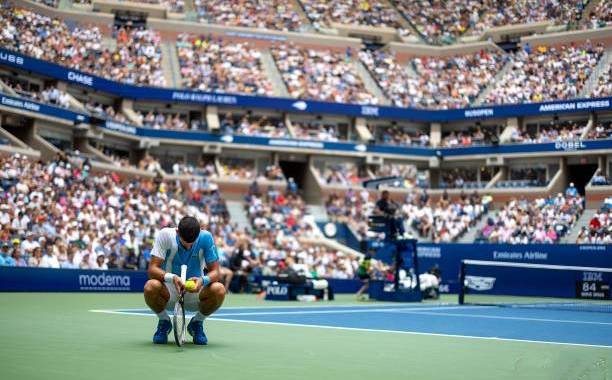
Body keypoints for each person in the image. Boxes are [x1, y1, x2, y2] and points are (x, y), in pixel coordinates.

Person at [144, 216, 226, 345]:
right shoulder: (165, 235)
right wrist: (172, 278)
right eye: (184, 242)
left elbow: (216, 272)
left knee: (219, 290)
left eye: (192, 243)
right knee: (150, 286)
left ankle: (197, 323)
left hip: (195, 291)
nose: (188, 246)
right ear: (177, 231)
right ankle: (164, 322)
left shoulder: (206, 237)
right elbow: (152, 269)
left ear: (199, 233)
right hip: (170, 292)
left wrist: (202, 280)